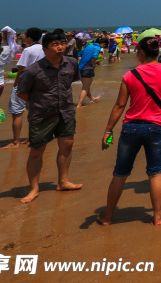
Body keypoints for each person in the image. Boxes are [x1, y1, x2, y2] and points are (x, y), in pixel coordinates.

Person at [97, 36, 161, 226]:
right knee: (155, 173)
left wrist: (108, 131)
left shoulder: (130, 75)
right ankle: (157, 216)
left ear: (141, 53)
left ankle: (108, 217)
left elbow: (120, 105)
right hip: (158, 127)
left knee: (120, 173)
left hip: (131, 128)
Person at [15, 30, 82, 203]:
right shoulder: (33, 70)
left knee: (67, 145)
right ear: (44, 49)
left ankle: (63, 181)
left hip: (66, 111)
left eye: (62, 43)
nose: (60, 47)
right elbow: (22, 93)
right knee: (37, 150)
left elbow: (71, 83)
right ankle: (34, 188)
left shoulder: (72, 63)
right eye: (54, 44)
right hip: (42, 114)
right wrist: (39, 103)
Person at [7, 27, 45, 148]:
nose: (23, 37)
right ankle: (30, 138)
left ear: (29, 37)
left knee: (17, 112)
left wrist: (16, 83)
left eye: (25, 35)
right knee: (34, 112)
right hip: (39, 83)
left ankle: (15, 142)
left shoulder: (28, 50)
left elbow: (22, 68)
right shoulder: (45, 48)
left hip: (25, 83)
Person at [76, 39, 103, 108]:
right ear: (103, 44)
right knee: (85, 88)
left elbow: (79, 55)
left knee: (86, 86)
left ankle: (91, 98)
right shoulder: (97, 47)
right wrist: (93, 63)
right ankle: (79, 105)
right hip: (88, 70)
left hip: (81, 69)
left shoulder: (88, 46)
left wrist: (83, 61)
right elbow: (94, 57)